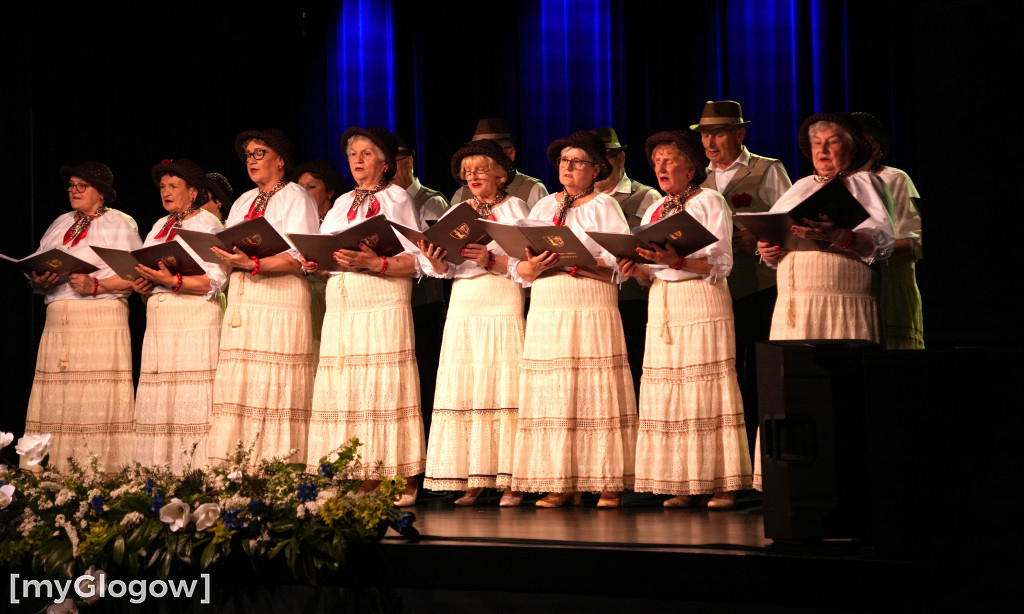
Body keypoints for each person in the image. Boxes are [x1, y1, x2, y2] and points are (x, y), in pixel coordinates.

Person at [754, 113, 895, 490]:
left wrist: (840, 235)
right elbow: (774, 238)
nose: (823, 150)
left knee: (840, 387)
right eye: (817, 143)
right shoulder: (800, 186)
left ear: (853, 147)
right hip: (794, 304)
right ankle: (793, 477)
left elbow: (882, 244)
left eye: (832, 142)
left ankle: (850, 477)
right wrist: (768, 248)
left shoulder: (864, 183)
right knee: (793, 388)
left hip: (840, 299)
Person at [618, 130, 751, 509]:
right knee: (672, 391)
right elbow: (652, 268)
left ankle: (723, 481)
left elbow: (722, 262)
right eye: (657, 161)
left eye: (669, 160)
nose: (660, 167)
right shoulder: (656, 208)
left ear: (691, 167)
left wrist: (676, 261)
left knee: (706, 389)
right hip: (663, 302)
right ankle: (684, 479)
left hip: (701, 300)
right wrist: (636, 267)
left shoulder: (710, 200)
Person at [509, 130, 637, 508]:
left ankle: (607, 480)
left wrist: (584, 260)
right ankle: (560, 480)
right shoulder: (544, 206)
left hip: (589, 302)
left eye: (577, 161)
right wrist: (530, 265)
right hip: (549, 305)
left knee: (594, 388)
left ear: (597, 169)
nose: (567, 167)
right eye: (564, 161)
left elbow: (622, 261)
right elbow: (520, 267)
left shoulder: (605, 206)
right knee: (556, 392)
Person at [304, 126, 424, 506]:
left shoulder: (397, 198)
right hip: (343, 306)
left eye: (366, 153)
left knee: (386, 383)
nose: (357, 159)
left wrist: (379, 262)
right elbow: (332, 253)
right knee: (353, 390)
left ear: (386, 162)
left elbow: (419, 260)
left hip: (381, 299)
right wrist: (317, 262)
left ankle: (402, 474)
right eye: (353, 153)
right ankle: (366, 471)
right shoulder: (340, 203)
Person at [419, 138, 530, 506]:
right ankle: (474, 477)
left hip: (499, 294)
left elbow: (525, 263)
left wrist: (490, 259)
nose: (473, 176)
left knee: (502, 381)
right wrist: (435, 258)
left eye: (480, 170)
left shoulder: (515, 207)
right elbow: (446, 267)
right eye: (467, 172)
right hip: (465, 300)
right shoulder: (460, 208)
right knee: (468, 383)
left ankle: (511, 478)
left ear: (500, 173)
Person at [206, 129, 319, 465]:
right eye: (249, 155)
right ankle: (239, 463)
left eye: (260, 153)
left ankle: (281, 465)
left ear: (281, 160)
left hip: (280, 297)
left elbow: (302, 257)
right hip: (246, 297)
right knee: (243, 382)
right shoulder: (242, 201)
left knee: (276, 383)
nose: (252, 160)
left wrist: (253, 262)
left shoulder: (297, 196)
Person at [23, 161, 141, 471]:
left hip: (100, 318)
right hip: (60, 319)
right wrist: (38, 280)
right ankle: (48, 475)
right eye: (71, 185)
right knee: (56, 398)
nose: (74, 191)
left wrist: (96, 284)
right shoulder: (60, 222)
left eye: (81, 186)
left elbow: (138, 278)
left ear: (101, 193)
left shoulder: (119, 224)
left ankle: (99, 473)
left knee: (95, 398)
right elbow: (39, 263)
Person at [693, 100, 792, 452]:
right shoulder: (698, 178)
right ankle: (730, 454)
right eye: (705, 134)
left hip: (758, 284)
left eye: (717, 133)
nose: (709, 141)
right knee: (724, 371)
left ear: (739, 133)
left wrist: (760, 238)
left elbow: (790, 222)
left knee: (758, 369)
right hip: (714, 290)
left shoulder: (766, 169)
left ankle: (765, 454)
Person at [132, 159, 227, 474]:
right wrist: (144, 283)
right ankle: (159, 474)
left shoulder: (207, 223)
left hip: (194, 319)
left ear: (194, 191)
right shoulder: (160, 226)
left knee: (192, 400)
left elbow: (216, 280)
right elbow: (147, 270)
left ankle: (197, 473)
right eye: (162, 187)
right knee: (163, 402)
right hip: (162, 324)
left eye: (174, 186)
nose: (166, 192)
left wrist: (172, 281)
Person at [591, 126, 661, 398]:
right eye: (592, 160)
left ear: (620, 160)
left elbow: (650, 244)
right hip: (596, 299)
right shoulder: (580, 201)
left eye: (604, 158)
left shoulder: (645, 196)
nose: (598, 166)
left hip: (632, 298)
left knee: (632, 370)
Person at [852, 111, 924, 350]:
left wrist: (862, 249)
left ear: (875, 147)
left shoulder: (894, 178)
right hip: (852, 289)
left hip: (890, 285)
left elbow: (913, 242)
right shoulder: (834, 182)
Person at [392, 136, 449, 437]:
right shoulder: (382, 198)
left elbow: (438, 247)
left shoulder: (431, 199)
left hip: (423, 298)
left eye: (395, 162)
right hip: (394, 297)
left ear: (409, 162)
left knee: (425, 369)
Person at [292, 159, 349, 363]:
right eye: (300, 187)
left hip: (331, 298)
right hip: (302, 297)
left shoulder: (338, 222)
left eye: (312, 187)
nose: (304, 193)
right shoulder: (296, 222)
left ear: (329, 193)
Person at [451, 118, 548, 207]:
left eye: (491, 154)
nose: (480, 160)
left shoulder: (532, 189)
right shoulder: (461, 194)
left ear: (510, 154)